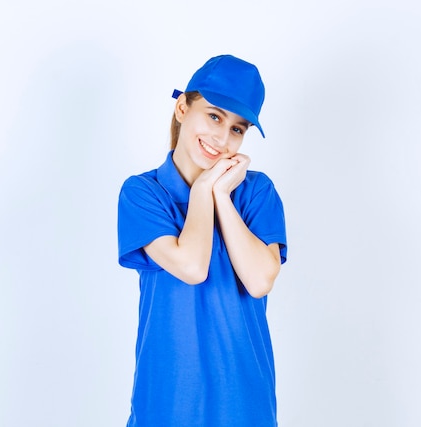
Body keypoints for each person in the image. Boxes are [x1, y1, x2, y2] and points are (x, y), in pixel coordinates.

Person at [117, 54, 287, 427]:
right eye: (214, 116)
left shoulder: (256, 193)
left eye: (238, 129)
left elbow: (260, 280)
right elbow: (191, 266)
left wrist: (222, 196)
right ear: (182, 108)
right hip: (166, 405)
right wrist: (203, 191)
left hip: (245, 407)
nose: (222, 138)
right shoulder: (144, 193)